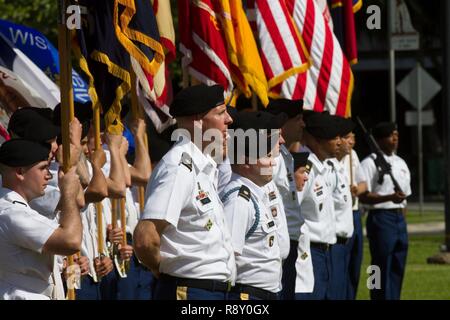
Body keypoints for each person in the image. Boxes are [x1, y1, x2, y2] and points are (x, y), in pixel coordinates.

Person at [133, 84, 236, 300]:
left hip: (208, 292)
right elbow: (145, 238)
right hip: (190, 291)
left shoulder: (202, 166)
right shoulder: (179, 167)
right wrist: (164, 269)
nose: (229, 120)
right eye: (220, 113)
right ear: (198, 122)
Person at [0, 139, 82, 299]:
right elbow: (71, 241)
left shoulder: (15, 209)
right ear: (20, 172)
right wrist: (69, 193)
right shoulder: (10, 214)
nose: (49, 175)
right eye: (43, 168)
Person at [222, 111, 287, 300]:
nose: (272, 162)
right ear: (246, 163)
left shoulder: (255, 194)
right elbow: (229, 255)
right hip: (247, 294)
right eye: (266, 156)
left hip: (264, 292)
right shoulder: (238, 200)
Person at [265, 98, 314, 299]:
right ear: (283, 122)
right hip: (278, 247)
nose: (303, 124)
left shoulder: (284, 154)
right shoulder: (273, 159)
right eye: (299, 119)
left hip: (290, 243)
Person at [359, 122, 411, 300]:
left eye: (396, 135)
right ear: (379, 140)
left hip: (399, 219)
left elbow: (405, 198)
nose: (395, 139)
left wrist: (402, 217)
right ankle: (377, 296)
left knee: (398, 264)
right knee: (378, 266)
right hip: (381, 217)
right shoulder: (369, 162)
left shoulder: (401, 162)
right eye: (391, 136)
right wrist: (389, 198)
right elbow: (363, 195)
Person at [295, 112, 341, 300]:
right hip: (310, 252)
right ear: (315, 140)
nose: (339, 141)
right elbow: (292, 208)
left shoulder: (324, 167)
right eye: (333, 137)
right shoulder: (306, 169)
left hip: (325, 251)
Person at [327, 117, 355, 300]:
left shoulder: (338, 166)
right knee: (334, 292)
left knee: (344, 290)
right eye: (337, 137)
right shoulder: (327, 168)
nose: (343, 142)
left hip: (345, 240)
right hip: (334, 242)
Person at [342, 131, 367, 299]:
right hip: (342, 215)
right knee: (342, 265)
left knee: (355, 265)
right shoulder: (331, 159)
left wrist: (358, 189)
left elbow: (364, 183)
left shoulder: (353, 155)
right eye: (348, 137)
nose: (351, 141)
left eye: (354, 137)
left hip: (355, 212)